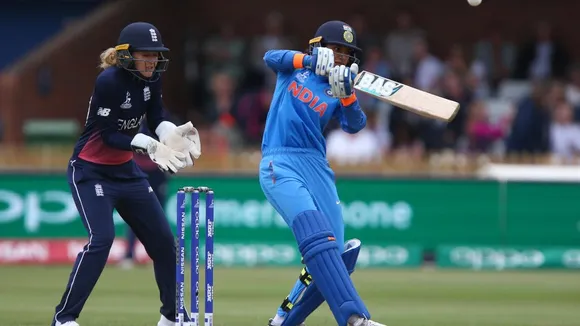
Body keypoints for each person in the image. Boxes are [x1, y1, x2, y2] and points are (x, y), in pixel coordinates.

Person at [50, 22, 201, 326]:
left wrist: (170, 134)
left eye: (156, 55)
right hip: (90, 171)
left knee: (163, 242)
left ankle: (172, 317)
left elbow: (156, 115)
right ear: (127, 56)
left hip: (125, 173)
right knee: (102, 239)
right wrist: (148, 144)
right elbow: (108, 136)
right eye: (146, 55)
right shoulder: (109, 81)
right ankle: (64, 319)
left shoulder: (153, 77)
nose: (152, 62)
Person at [259, 21, 386, 326]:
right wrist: (310, 60)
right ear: (317, 46)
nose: (341, 57)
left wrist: (347, 96)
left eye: (346, 53)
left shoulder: (339, 85)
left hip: (316, 163)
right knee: (317, 235)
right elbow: (270, 56)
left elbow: (355, 126)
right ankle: (355, 318)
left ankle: (283, 321)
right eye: (335, 49)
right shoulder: (293, 69)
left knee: (336, 256)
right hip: (281, 160)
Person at [118, 121, 170, 270]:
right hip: (137, 173)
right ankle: (129, 255)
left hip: (157, 175)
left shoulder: (161, 120)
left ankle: (161, 256)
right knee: (135, 217)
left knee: (158, 218)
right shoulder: (131, 121)